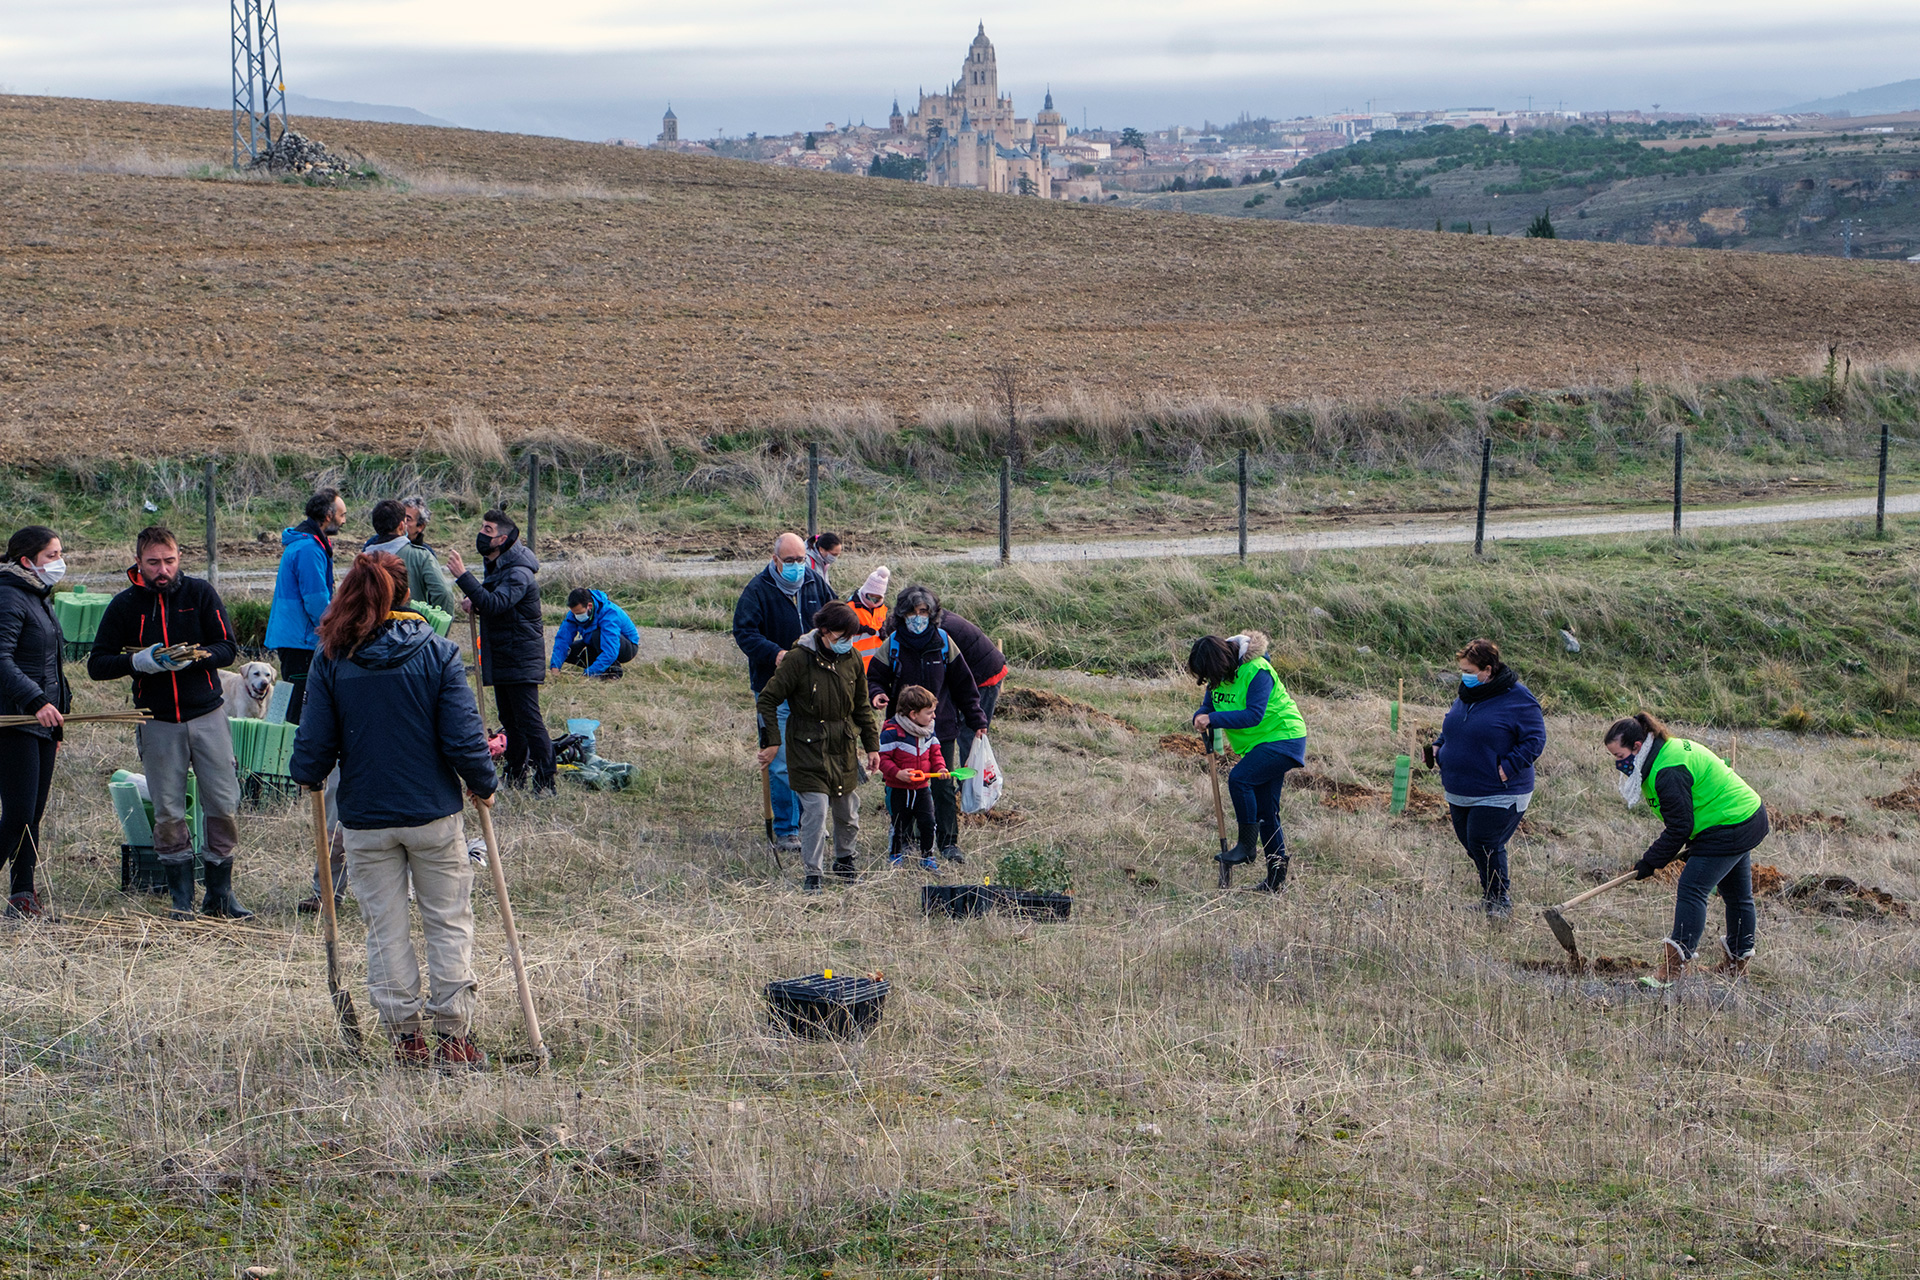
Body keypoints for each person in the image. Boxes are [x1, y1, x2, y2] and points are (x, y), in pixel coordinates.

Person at [289, 551, 498, 1069]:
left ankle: (407, 1042)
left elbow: (312, 748)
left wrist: (309, 773)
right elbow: (463, 739)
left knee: (385, 929)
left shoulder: (331, 658)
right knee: (447, 922)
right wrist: (483, 784)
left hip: (366, 821)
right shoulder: (440, 653)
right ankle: (454, 1039)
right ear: (408, 595)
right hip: (432, 815)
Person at [88, 526, 248, 920]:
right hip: (157, 720)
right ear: (138, 563)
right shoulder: (125, 605)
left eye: (170, 561)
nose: (163, 570)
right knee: (168, 811)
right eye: (154, 563)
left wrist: (196, 658)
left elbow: (228, 648)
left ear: (180, 558)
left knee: (223, 804)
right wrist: (138, 662)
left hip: (207, 714)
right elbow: (97, 664)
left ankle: (220, 896)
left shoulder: (200, 594)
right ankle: (181, 900)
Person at [1605, 712, 1769, 982]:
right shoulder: (1662, 753)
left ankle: (1673, 970)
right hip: (1743, 816)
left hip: (1732, 824)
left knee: (1692, 889)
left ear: (1637, 746)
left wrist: (1650, 862)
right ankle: (1736, 968)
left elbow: (1679, 827)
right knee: (1737, 896)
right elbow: (1687, 814)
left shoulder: (1667, 770)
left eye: (1619, 756)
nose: (1617, 763)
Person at [755, 601, 880, 891]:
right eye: (841, 636)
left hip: (843, 748)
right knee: (816, 812)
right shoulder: (798, 659)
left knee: (848, 812)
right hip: (807, 748)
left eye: (851, 636)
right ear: (824, 630)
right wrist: (772, 742)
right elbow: (768, 700)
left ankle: (845, 861)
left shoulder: (851, 657)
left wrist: (872, 746)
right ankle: (813, 874)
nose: (847, 641)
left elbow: (861, 705)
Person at [866, 584, 986, 866]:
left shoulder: (944, 642)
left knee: (942, 786)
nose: (917, 617)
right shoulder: (892, 644)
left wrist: (977, 719)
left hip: (939, 728)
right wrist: (877, 694)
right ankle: (904, 839)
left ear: (932, 614)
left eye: (923, 612)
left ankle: (948, 842)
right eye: (912, 612)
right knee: (901, 785)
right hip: (900, 732)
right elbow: (875, 677)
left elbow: (964, 685)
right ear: (902, 614)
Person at [1429, 638, 1547, 919]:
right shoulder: (1468, 694)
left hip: (1501, 790)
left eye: (1469, 671)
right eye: (1462, 670)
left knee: (1484, 841)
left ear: (1488, 670)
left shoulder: (1519, 697)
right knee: (1473, 845)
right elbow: (1452, 725)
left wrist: (1507, 767)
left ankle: (1500, 901)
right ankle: (1490, 898)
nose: (1464, 676)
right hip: (1460, 788)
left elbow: (1535, 739)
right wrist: (1439, 746)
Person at [733, 533, 836, 852]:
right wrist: (774, 654)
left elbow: (837, 617)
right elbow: (744, 632)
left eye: (800, 560)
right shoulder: (757, 590)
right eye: (789, 561)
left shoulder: (815, 583)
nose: (796, 566)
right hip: (773, 689)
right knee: (779, 761)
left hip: (813, 687)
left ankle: (812, 822)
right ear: (775, 559)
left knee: (813, 756)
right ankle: (787, 830)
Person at [1187, 630, 1306, 892]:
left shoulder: (1257, 670)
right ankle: (1275, 881)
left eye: (1209, 674)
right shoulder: (1219, 675)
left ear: (1220, 662)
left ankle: (1246, 846)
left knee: (1240, 779)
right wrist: (1201, 715)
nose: (1209, 681)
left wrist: (1213, 719)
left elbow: (1253, 715)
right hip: (1258, 744)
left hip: (1284, 737)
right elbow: (1210, 706)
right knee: (1266, 813)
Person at [447, 510, 554, 794]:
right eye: (482, 527)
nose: (482, 534)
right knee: (510, 721)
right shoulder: (497, 566)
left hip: (520, 657)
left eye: (488, 530)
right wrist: (475, 600)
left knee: (529, 721)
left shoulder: (518, 571)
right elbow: (493, 602)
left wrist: (463, 577)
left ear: (502, 539)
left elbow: (496, 604)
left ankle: (546, 780)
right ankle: (515, 774)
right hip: (505, 655)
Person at [0, 526, 70, 918]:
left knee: (32, 817)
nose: (59, 562)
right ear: (27, 561)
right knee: (18, 815)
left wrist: (57, 716)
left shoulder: (38, 595)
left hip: (42, 723)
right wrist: (36, 700)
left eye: (59, 554)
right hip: (14, 720)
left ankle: (23, 895)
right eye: (51, 556)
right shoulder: (9, 595)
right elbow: (1, 659)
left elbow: (51, 665)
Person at [265, 489, 345, 724]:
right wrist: (335, 632)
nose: (344, 521)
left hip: (295, 637)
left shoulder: (308, 544)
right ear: (328, 516)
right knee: (300, 709)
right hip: (301, 640)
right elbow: (316, 601)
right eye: (342, 515)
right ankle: (291, 744)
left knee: (293, 700)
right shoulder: (309, 549)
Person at [931, 605, 1007, 770]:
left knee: (971, 732)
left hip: (985, 675)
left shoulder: (939, 632)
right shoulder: (935, 618)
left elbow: (945, 673)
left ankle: (972, 781)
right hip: (975, 668)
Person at [877, 683, 944, 871]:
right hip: (898, 788)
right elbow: (883, 759)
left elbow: (935, 753)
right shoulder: (891, 732)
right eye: (929, 712)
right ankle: (896, 855)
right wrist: (897, 773)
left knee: (928, 822)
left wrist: (940, 767)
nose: (934, 716)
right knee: (899, 824)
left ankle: (928, 857)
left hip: (922, 788)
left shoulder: (929, 730)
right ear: (913, 714)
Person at [551, 588, 641, 680]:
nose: (576, 616)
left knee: (597, 635)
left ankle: (613, 672)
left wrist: (587, 675)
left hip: (627, 648)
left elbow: (611, 651)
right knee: (568, 651)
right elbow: (562, 640)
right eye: (574, 613)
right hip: (594, 643)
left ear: (589, 606)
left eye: (579, 613)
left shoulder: (609, 613)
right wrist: (555, 667)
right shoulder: (574, 614)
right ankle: (599, 669)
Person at [398, 495, 460, 615]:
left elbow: (441, 592)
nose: (402, 523)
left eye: (408, 519)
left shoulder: (426, 554)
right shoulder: (376, 544)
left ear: (421, 526)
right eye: (400, 517)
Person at [849, 566, 890, 668]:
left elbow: (881, 624)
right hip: (855, 662)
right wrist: (861, 629)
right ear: (864, 592)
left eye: (877, 599)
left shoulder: (882, 609)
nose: (873, 602)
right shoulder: (850, 608)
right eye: (870, 597)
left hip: (876, 662)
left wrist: (882, 630)